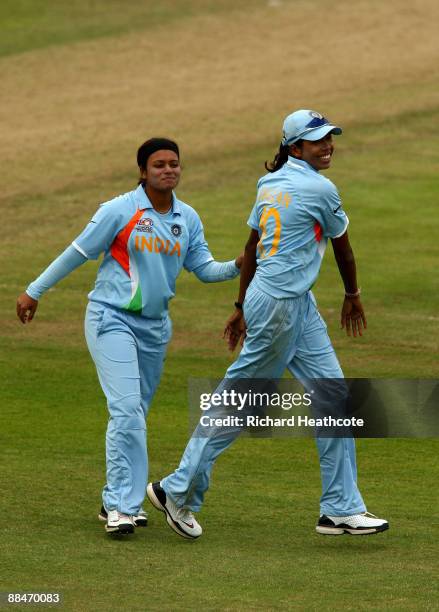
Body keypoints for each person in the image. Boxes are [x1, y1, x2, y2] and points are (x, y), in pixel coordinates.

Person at [146, 111, 389, 538]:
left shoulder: (270, 182)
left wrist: (242, 305)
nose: (327, 145)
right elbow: (343, 250)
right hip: (279, 305)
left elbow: (252, 245)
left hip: (290, 301)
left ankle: (340, 508)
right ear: (295, 147)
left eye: (329, 138)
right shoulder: (320, 188)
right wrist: (352, 297)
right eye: (317, 141)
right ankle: (176, 489)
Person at [16, 138, 242, 535]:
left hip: (156, 329)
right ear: (143, 171)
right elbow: (77, 252)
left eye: (174, 164)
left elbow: (204, 268)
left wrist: (240, 264)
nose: (168, 170)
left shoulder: (186, 217)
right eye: (159, 165)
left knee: (133, 413)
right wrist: (35, 290)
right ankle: (124, 506)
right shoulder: (119, 210)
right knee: (127, 412)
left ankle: (112, 501)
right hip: (111, 319)